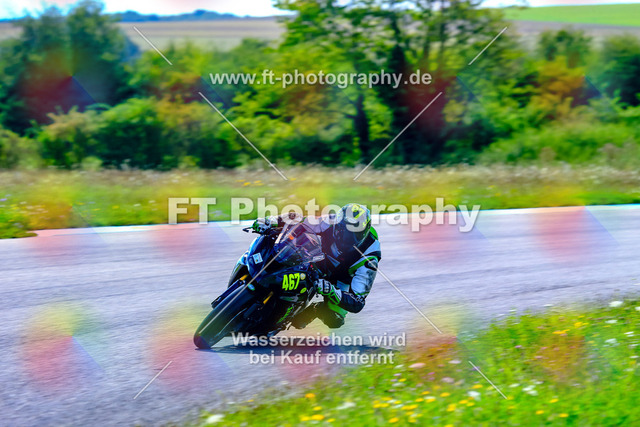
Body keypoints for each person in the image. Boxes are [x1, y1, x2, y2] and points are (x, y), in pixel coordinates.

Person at [251, 203, 381, 329]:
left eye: (356, 234)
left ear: (365, 232)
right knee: (281, 253)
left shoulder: (370, 257)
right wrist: (272, 220)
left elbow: (357, 302)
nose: (348, 238)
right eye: (344, 231)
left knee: (334, 319)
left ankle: (315, 310)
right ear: (337, 225)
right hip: (317, 259)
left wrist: (331, 291)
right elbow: (300, 219)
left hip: (341, 279)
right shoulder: (330, 221)